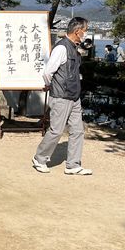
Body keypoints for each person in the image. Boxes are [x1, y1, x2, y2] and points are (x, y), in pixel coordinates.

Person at [32, 16, 92, 176]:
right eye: (85, 31)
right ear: (77, 31)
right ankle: (39, 158)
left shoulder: (74, 47)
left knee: (78, 130)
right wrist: (49, 85)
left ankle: (73, 164)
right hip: (61, 96)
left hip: (74, 96)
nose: (85, 34)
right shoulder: (62, 48)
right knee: (56, 130)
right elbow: (48, 72)